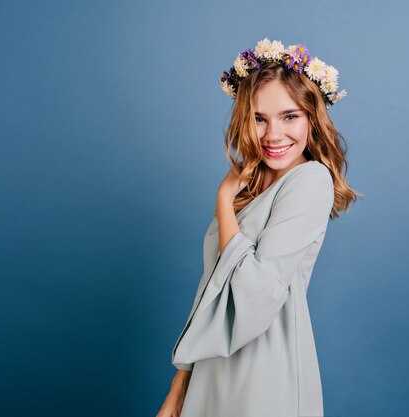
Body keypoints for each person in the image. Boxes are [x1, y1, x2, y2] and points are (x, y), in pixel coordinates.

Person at [157, 38, 360, 417]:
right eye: (259, 117)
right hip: (213, 365)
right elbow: (212, 289)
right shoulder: (248, 186)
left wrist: (222, 198)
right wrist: (179, 387)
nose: (272, 135)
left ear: (312, 118)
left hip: (265, 368)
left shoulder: (309, 180)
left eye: (290, 116)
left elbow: (257, 294)